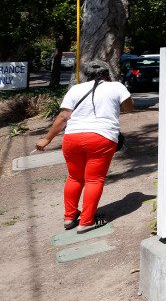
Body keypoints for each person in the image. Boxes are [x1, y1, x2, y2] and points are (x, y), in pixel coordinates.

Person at [35, 59, 134, 233]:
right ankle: (86, 221)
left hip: (72, 138)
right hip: (101, 138)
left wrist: (47, 139)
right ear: (107, 74)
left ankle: (69, 217)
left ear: (86, 75)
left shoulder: (75, 89)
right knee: (94, 179)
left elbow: (63, 116)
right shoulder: (116, 87)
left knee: (74, 178)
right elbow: (128, 108)